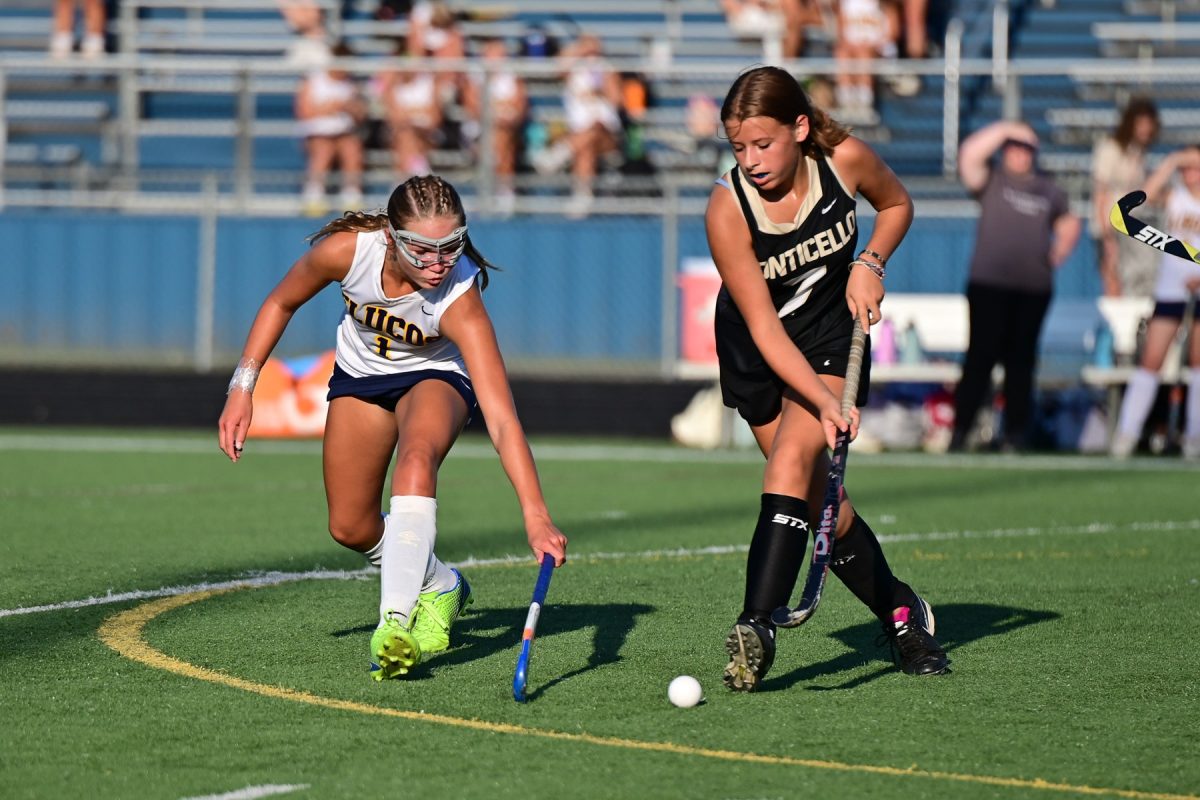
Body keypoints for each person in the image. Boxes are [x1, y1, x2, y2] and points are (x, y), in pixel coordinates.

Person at [217, 175, 569, 680]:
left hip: (436, 377)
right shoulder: (348, 252)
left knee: (417, 458)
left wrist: (535, 514)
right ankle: (441, 584)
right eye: (421, 250)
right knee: (349, 526)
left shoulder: (459, 301)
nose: (437, 264)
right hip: (361, 378)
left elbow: (503, 419)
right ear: (391, 238)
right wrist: (243, 385)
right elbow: (281, 302)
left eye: (450, 247)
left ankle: (395, 624)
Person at [706, 65, 949, 691]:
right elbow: (764, 331)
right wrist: (822, 400)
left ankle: (754, 627)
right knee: (821, 504)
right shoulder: (727, 209)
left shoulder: (844, 161)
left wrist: (870, 260)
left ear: (801, 127)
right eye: (740, 148)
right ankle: (901, 609)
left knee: (789, 463)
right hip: (759, 348)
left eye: (764, 144)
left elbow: (897, 204)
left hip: (831, 334)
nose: (752, 160)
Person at [950, 120, 1081, 452]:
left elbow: (1069, 222)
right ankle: (962, 430)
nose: (1021, 155)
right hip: (989, 285)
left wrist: (1059, 251)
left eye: (1027, 149)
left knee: (1021, 362)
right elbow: (968, 154)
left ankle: (1015, 433)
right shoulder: (992, 179)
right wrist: (1007, 129)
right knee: (980, 358)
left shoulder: (1048, 188)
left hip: (1032, 289)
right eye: (1014, 147)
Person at [1110, 145, 1200, 460]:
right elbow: (1143, 197)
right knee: (1151, 362)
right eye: (1186, 168)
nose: (1190, 173)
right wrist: (1173, 160)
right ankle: (1127, 434)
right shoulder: (1175, 196)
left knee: (1199, 363)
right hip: (1171, 287)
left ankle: (1194, 438)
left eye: (1195, 166)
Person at [1091, 97, 1161, 297]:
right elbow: (1100, 194)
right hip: (1111, 226)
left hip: (1132, 226)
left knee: (1133, 280)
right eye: (1141, 124)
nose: (1146, 129)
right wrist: (1106, 235)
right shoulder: (1110, 148)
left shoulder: (1138, 153)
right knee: (1113, 279)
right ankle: (1116, 326)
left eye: (1149, 124)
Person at [295, 42, 366, 216]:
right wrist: (332, 107)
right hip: (317, 132)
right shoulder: (313, 80)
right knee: (324, 147)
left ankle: (351, 195)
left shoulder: (351, 84)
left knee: (352, 148)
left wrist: (351, 108)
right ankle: (314, 195)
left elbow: (361, 116)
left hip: (344, 132)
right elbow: (304, 111)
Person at [462, 37, 528, 215]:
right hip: (478, 129)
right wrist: (498, 109)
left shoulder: (512, 75)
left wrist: (498, 111)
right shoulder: (475, 74)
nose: (500, 57)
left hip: (506, 126)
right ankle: (500, 191)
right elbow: (472, 106)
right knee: (498, 135)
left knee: (503, 135)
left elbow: (520, 106)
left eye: (502, 53)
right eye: (496, 52)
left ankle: (502, 191)